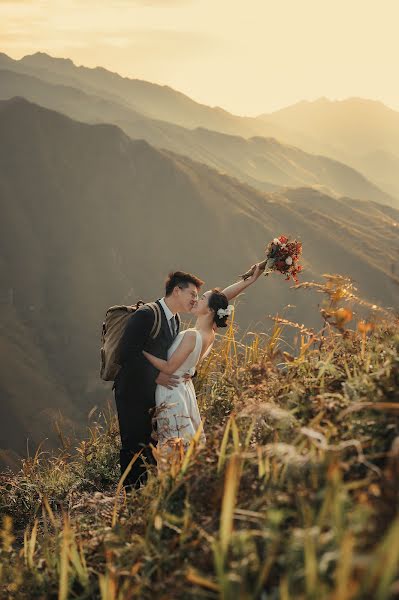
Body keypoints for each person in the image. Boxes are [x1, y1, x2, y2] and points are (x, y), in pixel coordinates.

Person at [143, 264, 263, 452]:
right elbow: (222, 298)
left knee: (173, 445)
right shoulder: (209, 334)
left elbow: (167, 368)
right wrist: (249, 280)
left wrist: (141, 351)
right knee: (182, 443)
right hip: (183, 390)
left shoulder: (192, 335)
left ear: (210, 310)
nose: (196, 300)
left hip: (171, 389)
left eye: (202, 298)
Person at [113, 271, 204, 489]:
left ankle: (144, 494)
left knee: (149, 446)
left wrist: (188, 371)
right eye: (191, 293)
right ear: (176, 290)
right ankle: (129, 498)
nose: (194, 299)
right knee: (133, 446)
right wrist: (159, 375)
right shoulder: (147, 314)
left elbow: (171, 357)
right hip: (132, 393)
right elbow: (124, 353)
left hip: (153, 395)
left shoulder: (175, 320)